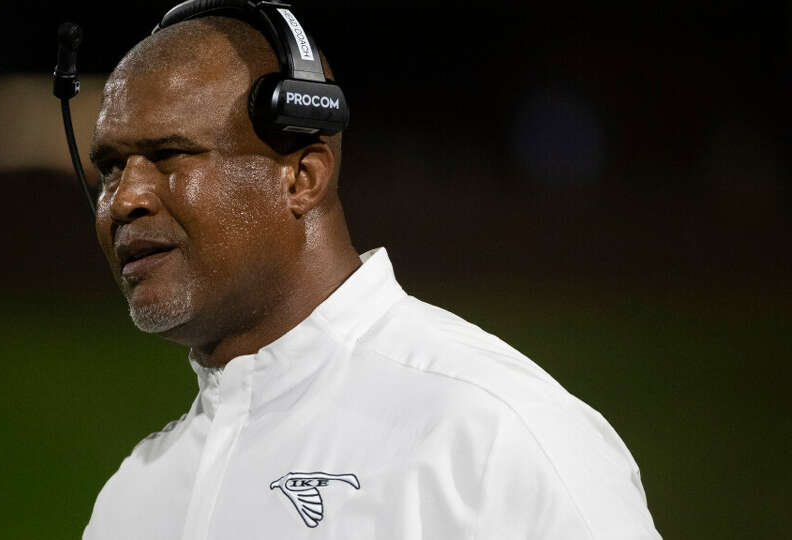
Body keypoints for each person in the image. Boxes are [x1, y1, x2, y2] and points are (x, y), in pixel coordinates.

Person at [81, 5, 661, 540]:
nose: (125, 198)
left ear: (303, 178)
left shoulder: (494, 432)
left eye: (169, 155)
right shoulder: (133, 498)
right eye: (109, 168)